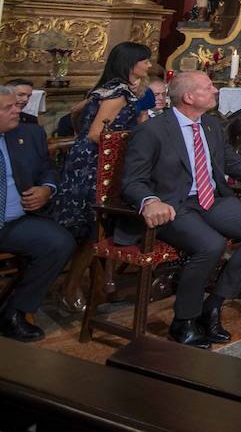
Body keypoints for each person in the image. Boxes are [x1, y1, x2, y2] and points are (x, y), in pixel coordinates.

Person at [122, 71, 241, 348]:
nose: (215, 90)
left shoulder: (210, 125)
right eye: (208, 87)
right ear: (189, 97)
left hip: (212, 199)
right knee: (210, 245)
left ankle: (215, 303)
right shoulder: (152, 130)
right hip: (174, 205)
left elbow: (232, 162)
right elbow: (132, 180)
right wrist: (150, 200)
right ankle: (184, 320)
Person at [52, 41, 151, 310]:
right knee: (93, 227)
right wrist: (138, 135)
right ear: (132, 64)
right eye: (145, 61)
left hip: (94, 162)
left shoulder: (112, 88)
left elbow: (76, 112)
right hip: (96, 166)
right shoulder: (117, 93)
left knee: (96, 227)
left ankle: (93, 285)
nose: (149, 65)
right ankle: (69, 288)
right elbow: (97, 133)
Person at [0, 85, 75, 341]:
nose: (17, 111)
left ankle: (16, 311)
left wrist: (46, 188)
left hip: (14, 221)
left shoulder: (29, 134)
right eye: (8, 108)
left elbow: (48, 169)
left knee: (59, 242)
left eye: (17, 105)